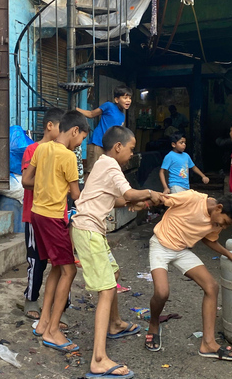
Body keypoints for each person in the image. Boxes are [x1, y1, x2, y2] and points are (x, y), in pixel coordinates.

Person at [71, 126, 165, 378]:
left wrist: (140, 202)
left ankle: (114, 323)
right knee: (106, 290)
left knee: (113, 274)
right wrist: (150, 193)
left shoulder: (102, 164)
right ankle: (98, 359)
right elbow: (128, 193)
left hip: (91, 230)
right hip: (89, 231)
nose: (133, 154)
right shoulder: (111, 165)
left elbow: (115, 199)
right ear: (118, 147)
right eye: (132, 149)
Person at [144, 191, 232, 360]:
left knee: (212, 287)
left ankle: (208, 343)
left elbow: (209, 239)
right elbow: (163, 199)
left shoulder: (216, 221)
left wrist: (229, 254)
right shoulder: (192, 199)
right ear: (219, 208)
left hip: (181, 250)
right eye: (224, 223)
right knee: (162, 292)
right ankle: (154, 323)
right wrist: (145, 199)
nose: (222, 227)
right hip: (160, 246)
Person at [22, 110, 89, 353]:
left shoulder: (41, 149)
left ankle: (43, 323)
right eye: (81, 138)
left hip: (36, 214)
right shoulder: (69, 157)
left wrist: (46, 181)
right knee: (69, 271)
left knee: (57, 267)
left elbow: (27, 181)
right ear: (74, 131)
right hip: (52, 217)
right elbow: (75, 195)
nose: (80, 143)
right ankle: (53, 331)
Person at [21, 108, 66, 322]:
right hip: (35, 215)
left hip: (59, 215)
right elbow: (26, 180)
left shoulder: (66, 152)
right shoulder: (32, 150)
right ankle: (31, 298)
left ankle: (60, 307)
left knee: (62, 263)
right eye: (61, 128)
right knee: (37, 260)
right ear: (50, 126)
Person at [76, 86, 133, 175]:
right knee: (92, 172)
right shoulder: (109, 106)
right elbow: (91, 114)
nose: (128, 100)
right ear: (117, 99)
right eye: (125, 98)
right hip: (97, 144)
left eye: (130, 98)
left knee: (104, 173)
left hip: (109, 148)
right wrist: (76, 109)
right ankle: (87, 189)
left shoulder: (122, 115)